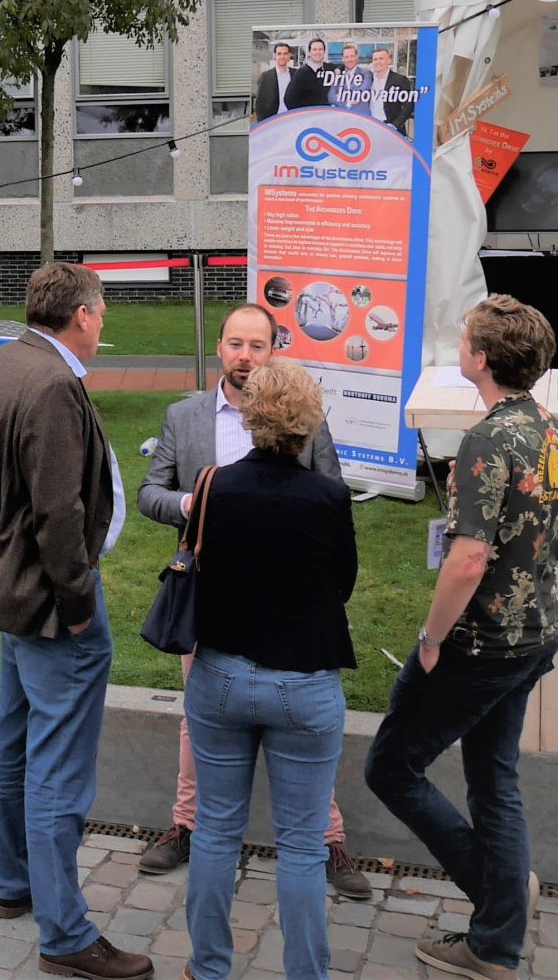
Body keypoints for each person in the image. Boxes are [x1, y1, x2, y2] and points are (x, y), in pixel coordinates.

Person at [365, 296, 558, 979]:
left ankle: (498, 908)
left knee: (391, 766)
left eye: (464, 339)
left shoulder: (488, 439)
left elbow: (466, 557)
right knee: (494, 778)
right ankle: (496, 935)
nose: (460, 346)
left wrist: (431, 637)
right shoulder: (552, 430)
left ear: (482, 357)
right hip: (534, 633)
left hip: (482, 644)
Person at [134, 305, 370, 901]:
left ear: (274, 351)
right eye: (235, 344)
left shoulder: (305, 420)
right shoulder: (185, 416)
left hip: (295, 613)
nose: (244, 355)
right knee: (198, 724)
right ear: (220, 348)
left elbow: (333, 497)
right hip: (211, 607)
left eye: (256, 346)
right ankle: (185, 826)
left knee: (306, 729)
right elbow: (149, 493)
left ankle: (328, 838)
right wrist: (192, 506)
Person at [0, 262, 146, 980]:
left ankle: (15, 885)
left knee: (14, 737)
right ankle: (65, 933)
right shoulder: (54, 383)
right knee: (57, 766)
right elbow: (58, 514)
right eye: (101, 312)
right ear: (84, 314)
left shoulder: (7, 360)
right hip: (47, 602)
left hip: (10, 591)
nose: (103, 324)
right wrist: (77, 605)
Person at [179, 360, 358, 979]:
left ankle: (207, 969)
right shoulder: (331, 496)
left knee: (215, 832)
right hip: (305, 682)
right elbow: (343, 582)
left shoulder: (213, 486)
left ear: (251, 416)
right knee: (304, 846)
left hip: (220, 674)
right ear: (310, 423)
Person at [252, 42, 325, 120]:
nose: (282, 56)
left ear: (289, 55)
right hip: (272, 121)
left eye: (285, 53)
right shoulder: (265, 76)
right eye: (279, 54)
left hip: (293, 119)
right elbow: (260, 103)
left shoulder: (298, 74)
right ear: (274, 56)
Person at [366, 47, 417, 135]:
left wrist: (395, 125)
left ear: (389, 60)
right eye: (375, 59)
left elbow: (408, 106)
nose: (378, 62)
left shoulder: (399, 80)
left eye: (381, 59)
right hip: (372, 126)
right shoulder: (368, 79)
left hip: (391, 129)